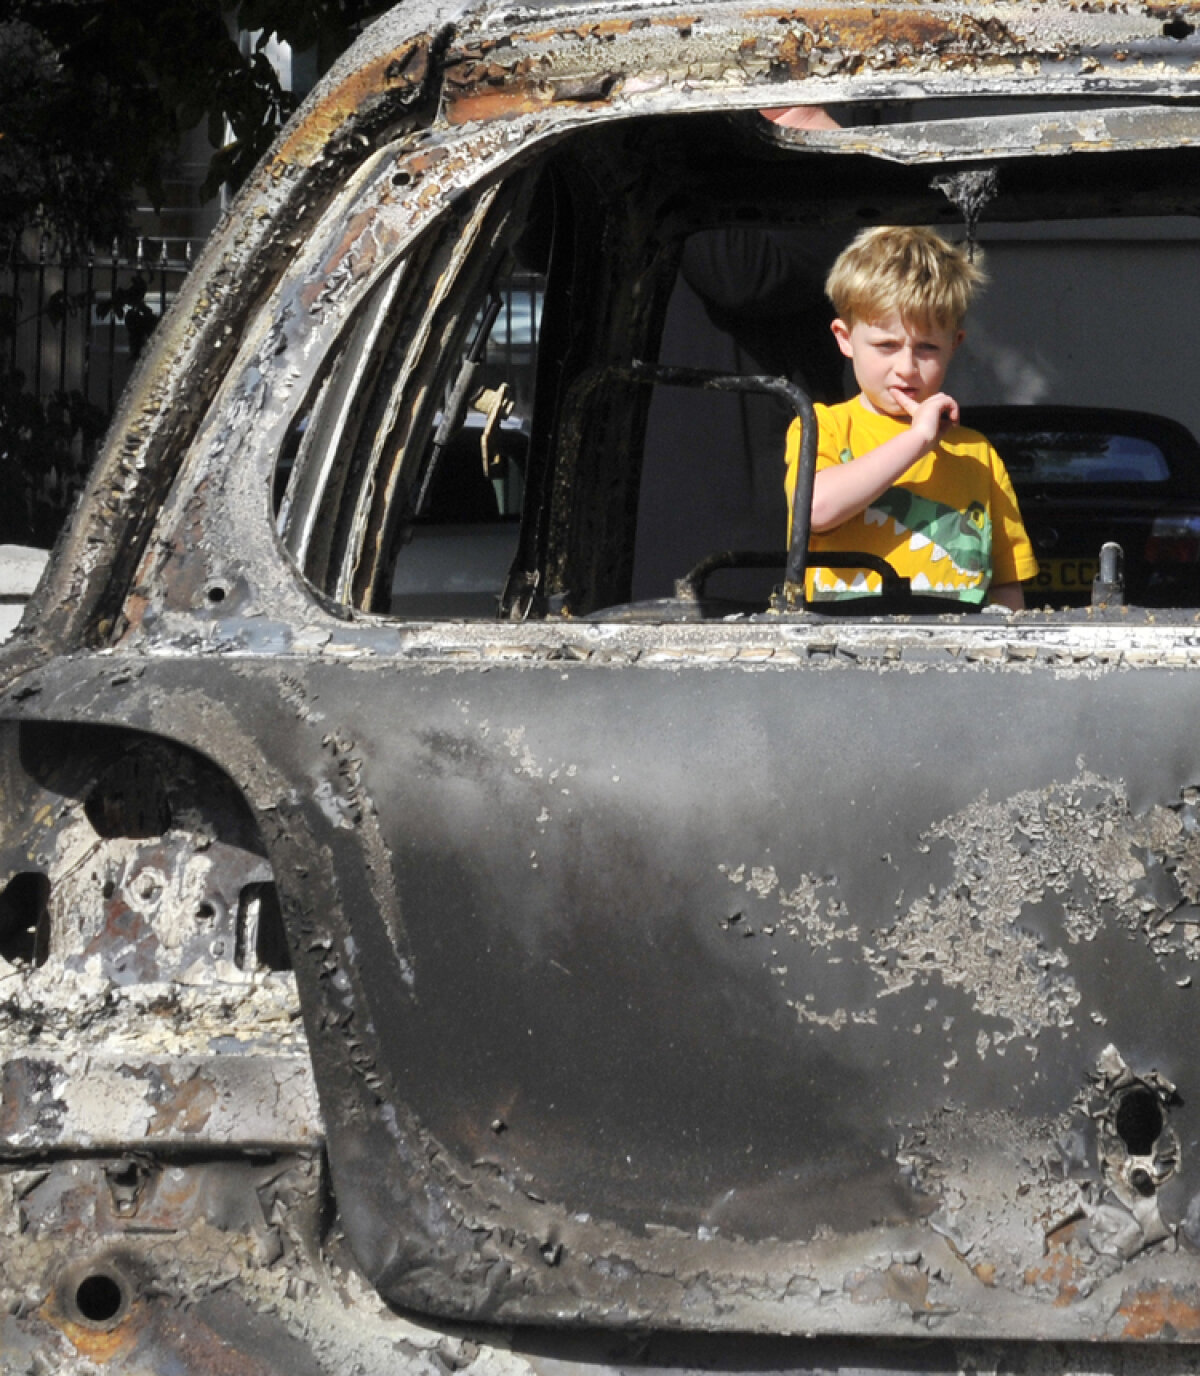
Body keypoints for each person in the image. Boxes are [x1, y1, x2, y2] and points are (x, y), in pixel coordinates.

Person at [783, 225, 1037, 610]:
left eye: (927, 348)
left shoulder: (977, 453)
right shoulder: (821, 426)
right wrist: (917, 440)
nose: (906, 367)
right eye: (886, 345)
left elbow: (1005, 586)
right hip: (841, 653)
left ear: (956, 344)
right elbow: (816, 509)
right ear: (845, 338)